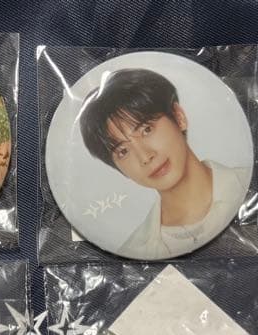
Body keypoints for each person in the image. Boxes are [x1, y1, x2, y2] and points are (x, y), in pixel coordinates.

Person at [78, 68, 248, 260]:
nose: (145, 157)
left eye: (146, 130)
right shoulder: (131, 254)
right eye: (123, 151)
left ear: (179, 117)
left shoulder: (254, 187)